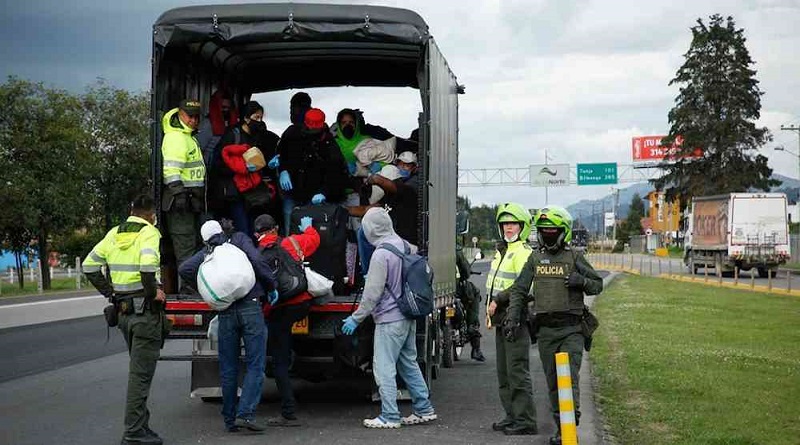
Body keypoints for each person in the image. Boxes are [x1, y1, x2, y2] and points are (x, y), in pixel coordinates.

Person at [503, 205, 603, 445]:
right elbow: (518, 290)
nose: (547, 235)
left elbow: (597, 285)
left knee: (568, 379)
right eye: (543, 231)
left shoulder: (575, 257)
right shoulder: (535, 258)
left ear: (563, 232)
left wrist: (581, 282)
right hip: (546, 331)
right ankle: (562, 427)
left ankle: (571, 424)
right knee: (552, 382)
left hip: (572, 330)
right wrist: (513, 317)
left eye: (552, 231)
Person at [340, 207, 437, 429]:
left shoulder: (380, 254)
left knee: (383, 367)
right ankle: (424, 408)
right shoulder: (406, 245)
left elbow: (372, 294)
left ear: (370, 229)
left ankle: (390, 415)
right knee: (408, 363)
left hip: (389, 319)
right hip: (408, 314)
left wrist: (356, 318)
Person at [82, 194, 167, 445]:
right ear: (151, 215)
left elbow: (89, 266)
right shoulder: (149, 232)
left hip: (124, 314)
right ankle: (133, 433)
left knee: (139, 372)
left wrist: (110, 293)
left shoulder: (113, 233)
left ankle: (142, 426)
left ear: (132, 210)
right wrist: (155, 293)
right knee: (140, 376)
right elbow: (148, 266)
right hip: (144, 313)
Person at [178, 220, 278, 433]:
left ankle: (229, 419)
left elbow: (185, 269)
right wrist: (270, 285)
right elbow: (258, 261)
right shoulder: (239, 239)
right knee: (255, 363)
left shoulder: (207, 252)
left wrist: (204, 287)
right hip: (250, 306)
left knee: (228, 366)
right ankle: (246, 415)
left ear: (205, 239)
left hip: (225, 312)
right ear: (222, 231)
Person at [253, 214, 320, 427]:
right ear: (276, 229)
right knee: (284, 341)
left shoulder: (256, 255)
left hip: (278, 309)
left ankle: (288, 412)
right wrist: (309, 227)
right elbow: (315, 239)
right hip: (302, 305)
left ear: (257, 234)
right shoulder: (292, 241)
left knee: (279, 361)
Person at [484, 202, 538, 436]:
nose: (508, 227)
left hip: (515, 318)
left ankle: (525, 420)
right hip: (501, 320)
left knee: (516, 371)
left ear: (523, 226)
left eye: (513, 223)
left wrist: (500, 300)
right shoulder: (503, 251)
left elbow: (526, 288)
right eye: (505, 223)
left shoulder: (523, 252)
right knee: (504, 373)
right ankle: (512, 415)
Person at [276, 107, 349, 235]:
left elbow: (337, 173)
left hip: (315, 196)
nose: (312, 131)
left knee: (312, 233)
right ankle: (290, 254)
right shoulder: (292, 134)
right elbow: (282, 153)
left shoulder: (329, 144)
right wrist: (283, 170)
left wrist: (324, 192)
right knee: (290, 229)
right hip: (292, 192)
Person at [211, 101, 280, 233]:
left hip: (251, 193)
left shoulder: (257, 136)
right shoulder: (232, 136)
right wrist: (242, 168)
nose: (259, 121)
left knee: (252, 227)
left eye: (261, 118)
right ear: (246, 118)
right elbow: (218, 164)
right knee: (243, 229)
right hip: (234, 192)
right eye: (256, 117)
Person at [349, 151, 420, 276]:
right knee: (364, 231)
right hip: (390, 243)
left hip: (404, 244)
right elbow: (368, 209)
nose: (402, 167)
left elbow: (391, 185)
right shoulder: (388, 196)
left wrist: (375, 179)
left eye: (407, 165)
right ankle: (369, 275)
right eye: (400, 164)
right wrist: (343, 210)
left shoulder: (409, 189)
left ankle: (370, 275)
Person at [161, 99, 206, 269]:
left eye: (196, 117)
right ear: (180, 114)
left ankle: (190, 287)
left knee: (191, 246)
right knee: (186, 249)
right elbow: (171, 170)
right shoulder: (176, 137)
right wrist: (179, 194)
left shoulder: (187, 136)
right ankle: (188, 290)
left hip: (189, 201)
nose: (193, 120)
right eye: (189, 116)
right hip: (180, 203)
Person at [456, 245, 484, 361]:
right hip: (458, 289)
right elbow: (466, 272)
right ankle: (476, 349)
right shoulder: (456, 251)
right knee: (475, 293)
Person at [197, 89, 238, 165]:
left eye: (228, 108)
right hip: (211, 167)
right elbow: (198, 149)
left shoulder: (232, 123)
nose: (226, 110)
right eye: (223, 107)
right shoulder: (207, 124)